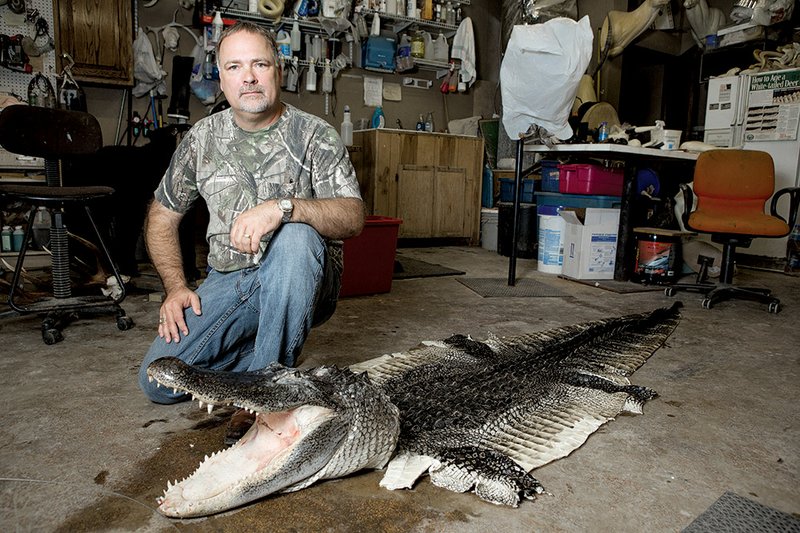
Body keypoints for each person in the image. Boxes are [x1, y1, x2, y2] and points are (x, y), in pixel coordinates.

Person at [138, 21, 364, 406]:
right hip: (230, 280)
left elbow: (353, 216)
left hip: (304, 276)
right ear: (221, 80)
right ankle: (271, 365)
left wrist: (284, 208)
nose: (248, 78)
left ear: (278, 70)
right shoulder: (201, 139)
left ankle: (267, 397)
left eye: (259, 64)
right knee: (159, 380)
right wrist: (175, 287)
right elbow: (161, 216)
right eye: (234, 67)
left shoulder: (315, 135)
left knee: (296, 234)